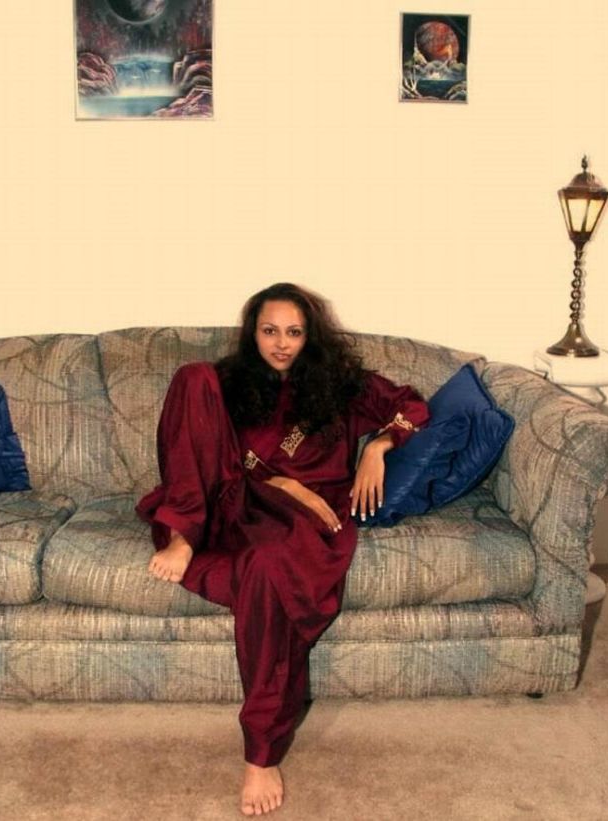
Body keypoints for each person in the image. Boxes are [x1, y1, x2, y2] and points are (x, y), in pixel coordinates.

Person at [136, 283, 430, 816]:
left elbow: (410, 406)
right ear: (253, 333)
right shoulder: (230, 383)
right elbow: (208, 453)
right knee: (191, 376)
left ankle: (262, 753)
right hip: (231, 503)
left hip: (305, 518)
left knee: (266, 570)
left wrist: (378, 446)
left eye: (294, 332)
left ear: (310, 336)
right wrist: (276, 483)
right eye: (269, 331)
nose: (281, 344)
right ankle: (183, 534)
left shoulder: (341, 385)